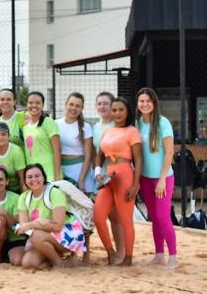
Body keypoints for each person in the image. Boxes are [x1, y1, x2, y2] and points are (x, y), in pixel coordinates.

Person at [93, 97, 142, 266]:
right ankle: (111, 253)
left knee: (125, 219)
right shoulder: (107, 131)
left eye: (121, 110)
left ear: (127, 111)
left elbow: (139, 159)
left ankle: (128, 258)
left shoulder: (132, 131)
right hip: (108, 177)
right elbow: (99, 155)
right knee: (98, 217)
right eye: (114, 110)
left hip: (125, 175)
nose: (117, 113)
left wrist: (136, 184)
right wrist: (98, 172)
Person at [135, 87, 178, 269]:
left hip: (163, 178)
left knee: (163, 216)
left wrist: (161, 179)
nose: (145, 104)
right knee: (154, 216)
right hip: (145, 178)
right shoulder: (137, 124)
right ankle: (159, 254)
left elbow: (169, 153)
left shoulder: (163, 123)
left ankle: (173, 257)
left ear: (154, 103)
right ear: (137, 104)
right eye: (141, 101)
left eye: (148, 101)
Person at [17, 164, 87, 270]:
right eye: (29, 177)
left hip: (67, 233)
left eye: (37, 176)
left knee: (35, 236)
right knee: (28, 263)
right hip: (43, 235)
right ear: (25, 180)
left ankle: (59, 264)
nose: (34, 179)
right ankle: (59, 259)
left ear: (44, 177)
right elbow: (23, 226)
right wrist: (40, 223)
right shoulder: (24, 197)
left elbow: (58, 226)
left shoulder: (54, 193)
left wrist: (34, 224)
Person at [56, 92, 94, 192]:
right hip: (60, 170)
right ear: (66, 104)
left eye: (78, 106)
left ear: (82, 108)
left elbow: (88, 156)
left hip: (79, 170)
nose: (74, 108)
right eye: (71, 104)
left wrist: (81, 180)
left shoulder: (86, 127)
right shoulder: (55, 124)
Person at [22, 91, 61, 182]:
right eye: (31, 103)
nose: (34, 105)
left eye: (37, 103)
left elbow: (57, 150)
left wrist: (57, 175)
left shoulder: (48, 122)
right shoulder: (25, 127)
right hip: (33, 175)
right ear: (27, 105)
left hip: (49, 173)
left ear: (42, 105)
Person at [0, 122, 26, 192]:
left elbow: (22, 179)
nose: (0, 137)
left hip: (15, 188)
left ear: (9, 136)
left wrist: (22, 198)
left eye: (4, 134)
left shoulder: (17, 151)